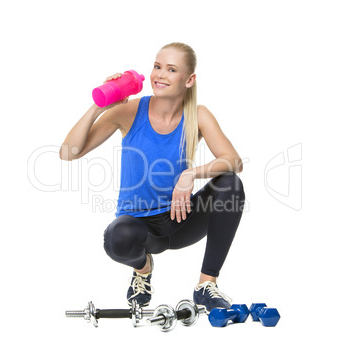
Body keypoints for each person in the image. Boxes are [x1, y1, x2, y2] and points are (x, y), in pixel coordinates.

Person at [60, 42, 245, 313]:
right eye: (157, 66)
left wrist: (190, 174)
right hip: (140, 228)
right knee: (116, 238)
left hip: (181, 218)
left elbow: (234, 161)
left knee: (230, 184)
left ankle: (206, 285)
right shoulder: (129, 111)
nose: (160, 75)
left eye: (171, 69)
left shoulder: (198, 115)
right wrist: (98, 107)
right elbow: (68, 152)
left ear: (189, 79)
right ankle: (143, 271)